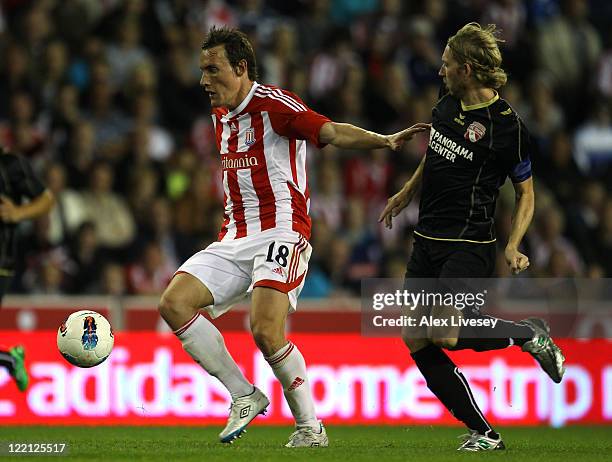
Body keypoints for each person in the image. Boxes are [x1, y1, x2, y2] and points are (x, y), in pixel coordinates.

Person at [157, 27, 428, 448]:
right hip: (234, 235)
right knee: (174, 302)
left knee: (265, 329)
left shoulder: (276, 107)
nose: (203, 80)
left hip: (283, 229)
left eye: (213, 70)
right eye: (201, 71)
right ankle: (244, 394)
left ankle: (310, 427)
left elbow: (333, 132)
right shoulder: (221, 113)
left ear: (241, 67)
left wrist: (385, 140)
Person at [379, 23, 565, 452]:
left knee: (443, 335)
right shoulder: (446, 105)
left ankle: (528, 334)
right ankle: (484, 433)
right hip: (427, 239)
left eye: (446, 66)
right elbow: (435, 152)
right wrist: (407, 192)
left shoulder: (507, 127)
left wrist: (515, 243)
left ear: (466, 69)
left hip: (468, 244)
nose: (439, 71)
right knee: (414, 337)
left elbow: (526, 193)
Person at [0, 146, 55, 392]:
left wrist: (17, 213)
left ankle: (10, 360)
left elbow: (46, 200)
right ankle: (9, 359)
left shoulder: (10, 164)